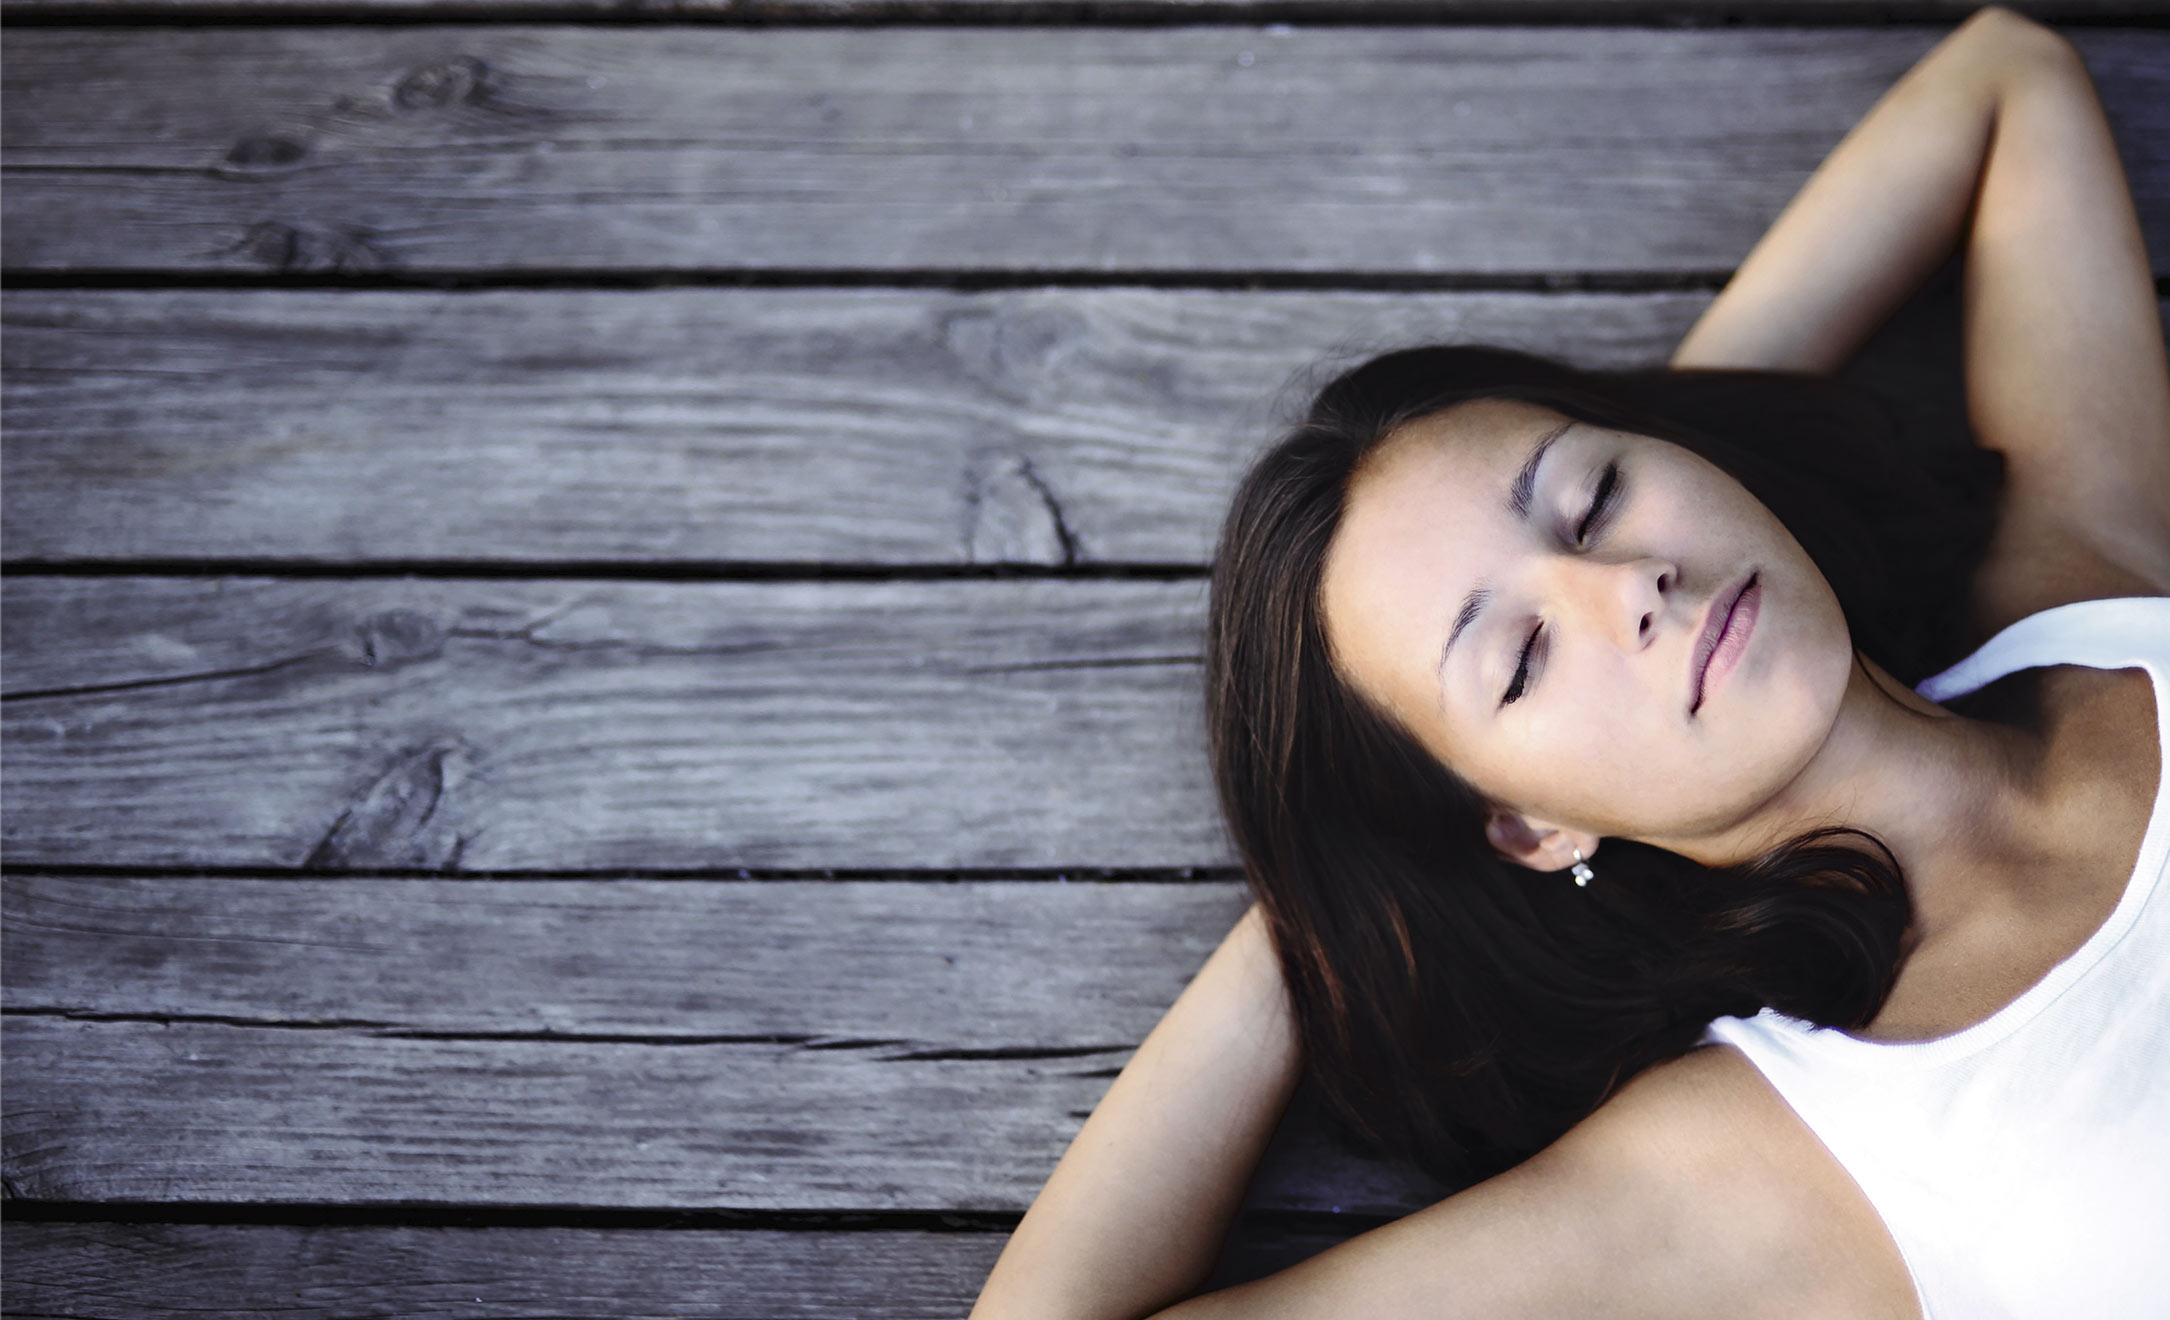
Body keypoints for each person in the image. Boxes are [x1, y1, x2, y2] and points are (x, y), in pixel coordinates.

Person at [971, 7, 2169, 1317]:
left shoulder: (2090, 577)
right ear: (1525, 827)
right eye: (1519, 658)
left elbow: (2002, 74)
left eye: (1595, 499)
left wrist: (1682, 445)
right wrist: (1330, 906)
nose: (1624, 592)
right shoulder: (1772, 1166)